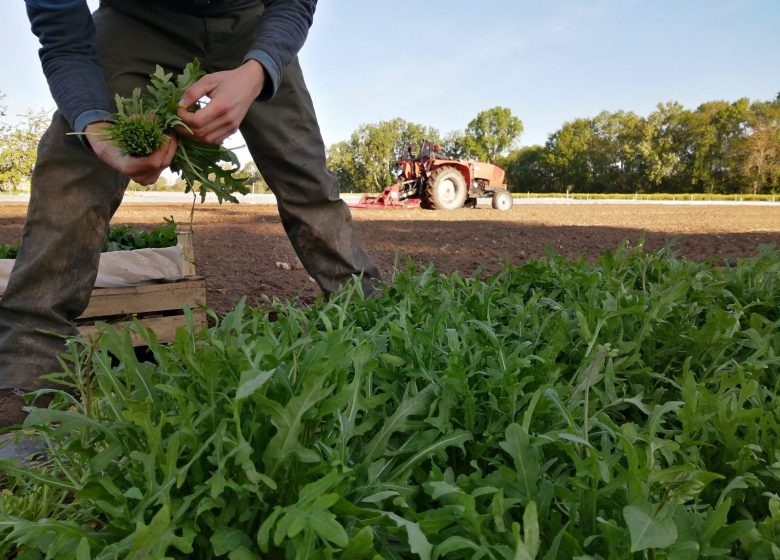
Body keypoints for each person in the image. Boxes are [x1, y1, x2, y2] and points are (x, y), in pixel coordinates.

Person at [0, 0, 381, 430]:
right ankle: (28, 369)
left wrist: (259, 67)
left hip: (251, 23)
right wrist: (93, 125)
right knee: (73, 167)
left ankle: (372, 314)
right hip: (135, 20)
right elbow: (64, 37)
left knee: (304, 170)